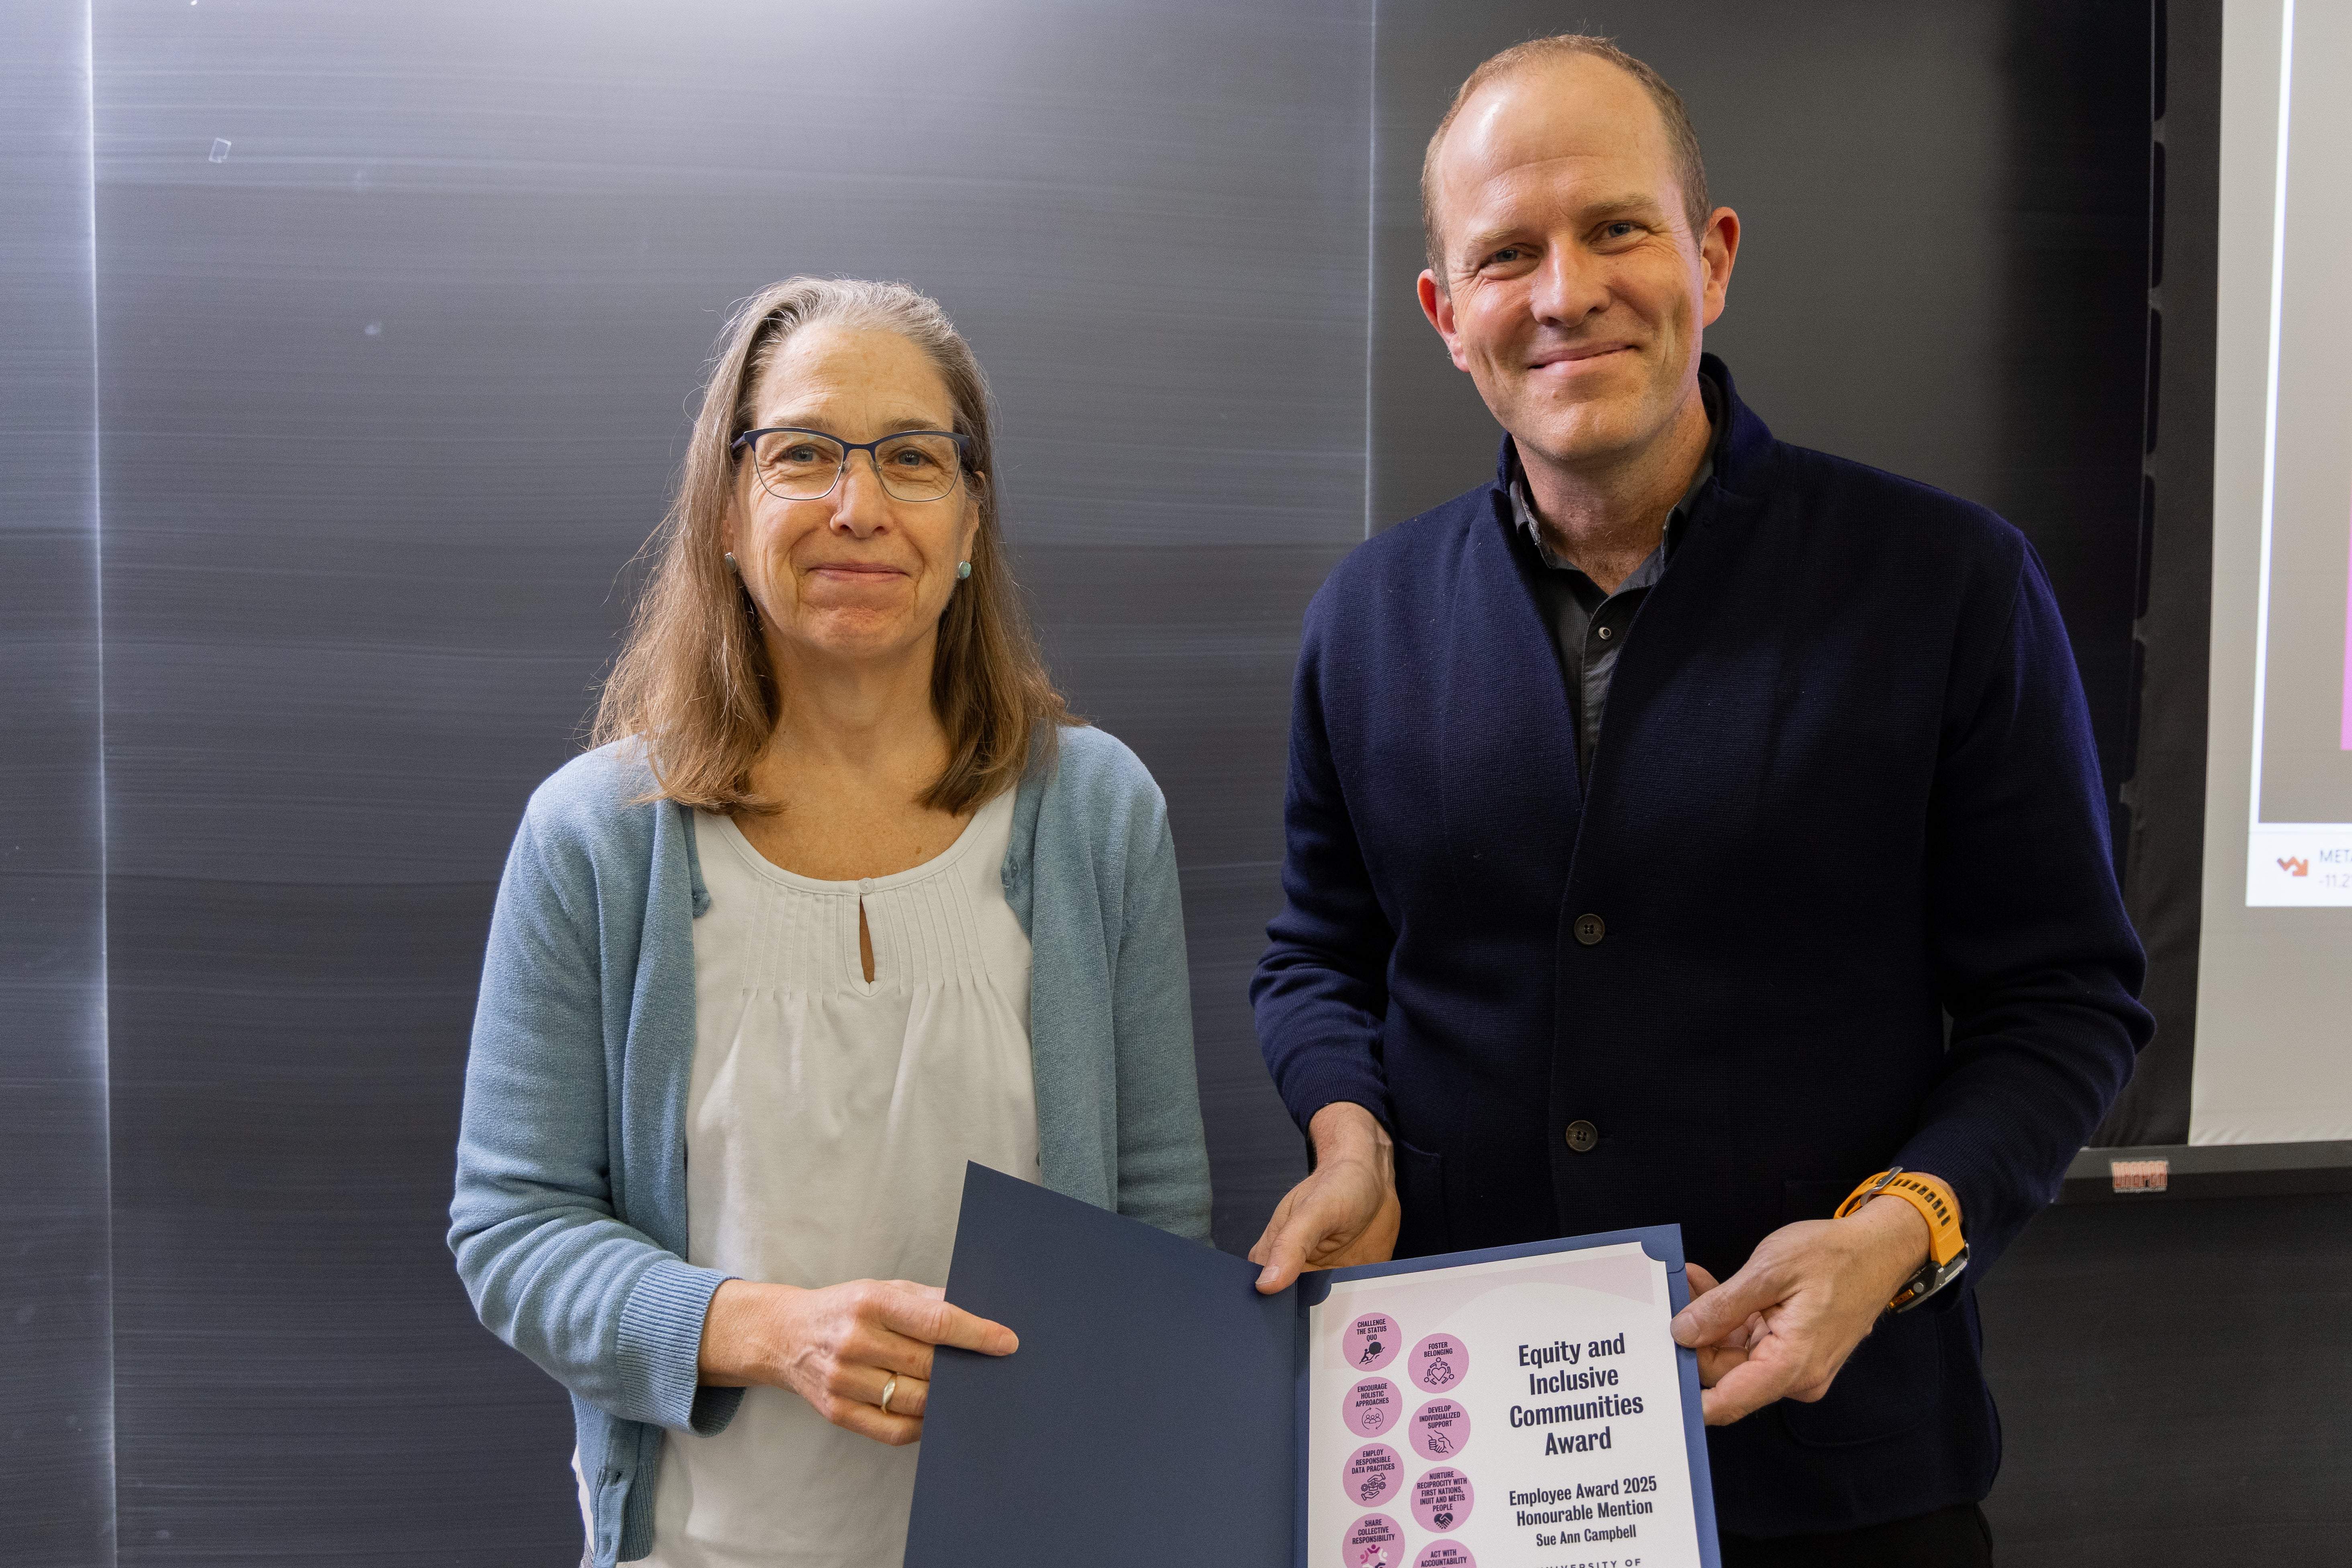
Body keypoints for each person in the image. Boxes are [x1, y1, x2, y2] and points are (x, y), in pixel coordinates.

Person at [1247, 36, 2150, 1567]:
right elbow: (1317, 959)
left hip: (1837, 1468)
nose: (1565, 293)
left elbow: (2065, 1003)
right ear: (1448, 315)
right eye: (1506, 254)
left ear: (1710, 258)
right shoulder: (1367, 615)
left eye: (1616, 228)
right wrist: (1351, 1139)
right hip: (1467, 1460)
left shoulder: (1948, 587)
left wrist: (1894, 1237)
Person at [448, 276, 1211, 1568]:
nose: (860, 506)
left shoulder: (1098, 813)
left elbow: (1158, 1224)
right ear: (728, 512)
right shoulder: (595, 837)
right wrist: (769, 1332)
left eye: (913, 458)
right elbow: (512, 1230)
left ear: (970, 521)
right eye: (802, 454)